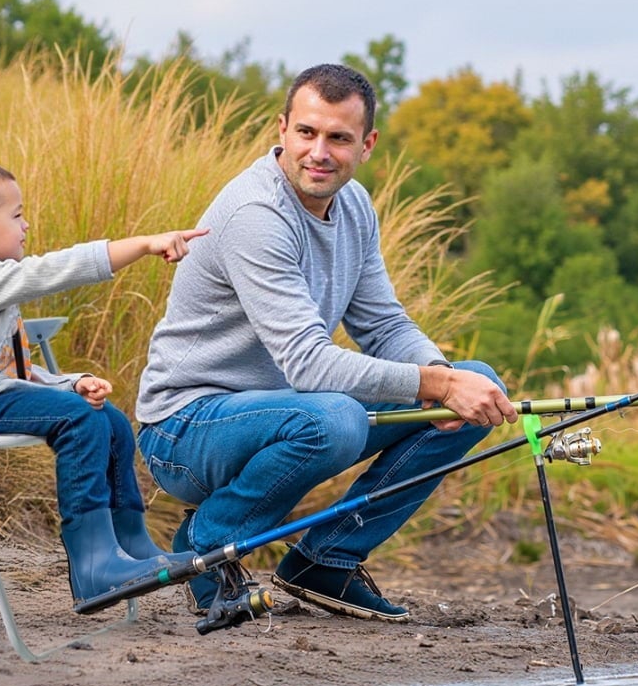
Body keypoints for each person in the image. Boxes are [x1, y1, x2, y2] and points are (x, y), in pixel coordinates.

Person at [136, 62, 517, 620]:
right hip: (187, 428)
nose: (319, 152)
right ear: (281, 129)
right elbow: (309, 365)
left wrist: (445, 378)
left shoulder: (355, 206)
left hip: (283, 412)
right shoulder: (256, 215)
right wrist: (437, 383)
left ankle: (327, 556)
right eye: (307, 133)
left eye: (338, 138)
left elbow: (384, 326)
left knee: (479, 376)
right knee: (335, 418)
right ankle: (208, 544)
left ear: (366, 145)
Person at [0, 158, 207, 611]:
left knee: (110, 421)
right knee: (83, 422)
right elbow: (53, 270)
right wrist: (143, 244)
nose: (27, 225)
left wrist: (71, 383)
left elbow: (11, 371)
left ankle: (130, 541)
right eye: (17, 214)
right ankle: (93, 563)